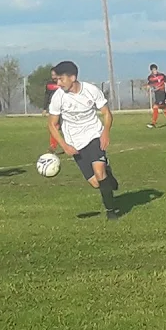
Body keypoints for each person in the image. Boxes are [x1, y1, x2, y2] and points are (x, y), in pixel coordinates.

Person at [47, 61, 120, 220]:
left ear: (72, 77)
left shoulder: (91, 90)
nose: (58, 83)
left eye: (61, 79)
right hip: (74, 143)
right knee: (96, 183)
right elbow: (52, 125)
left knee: (99, 173)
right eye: (56, 80)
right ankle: (108, 174)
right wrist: (65, 146)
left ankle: (111, 212)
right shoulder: (58, 97)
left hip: (94, 135)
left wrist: (105, 132)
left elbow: (106, 113)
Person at [146, 64, 166, 129]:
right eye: (153, 70)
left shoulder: (161, 75)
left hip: (162, 93)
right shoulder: (150, 77)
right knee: (164, 108)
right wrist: (147, 92)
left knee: (156, 106)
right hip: (157, 94)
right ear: (151, 70)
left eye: (155, 69)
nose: (155, 71)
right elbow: (149, 85)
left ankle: (153, 123)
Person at [43, 69, 61, 152]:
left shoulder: (63, 84)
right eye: (52, 75)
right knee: (54, 126)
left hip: (64, 109)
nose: (53, 77)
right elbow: (46, 96)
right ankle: (53, 146)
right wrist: (44, 108)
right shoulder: (49, 84)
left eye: (55, 75)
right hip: (53, 109)